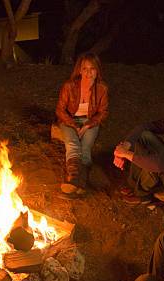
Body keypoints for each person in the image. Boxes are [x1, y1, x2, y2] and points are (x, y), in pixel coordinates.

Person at [55, 52, 109, 198]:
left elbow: (103, 112)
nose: (88, 73)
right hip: (69, 120)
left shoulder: (102, 89)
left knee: (85, 148)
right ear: (79, 70)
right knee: (73, 144)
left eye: (92, 69)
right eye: (85, 69)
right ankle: (74, 181)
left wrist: (87, 126)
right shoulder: (69, 86)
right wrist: (73, 125)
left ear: (97, 71)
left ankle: (78, 184)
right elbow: (60, 110)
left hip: (90, 121)